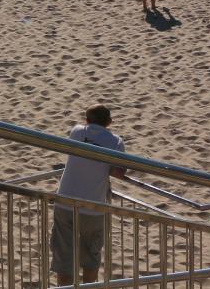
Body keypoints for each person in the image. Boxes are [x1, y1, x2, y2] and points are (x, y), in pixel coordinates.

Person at [51, 106, 126, 286]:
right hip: (93, 207)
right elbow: (118, 172)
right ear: (109, 122)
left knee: (64, 258)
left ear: (87, 120)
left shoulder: (76, 131)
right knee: (91, 258)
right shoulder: (115, 141)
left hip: (65, 201)